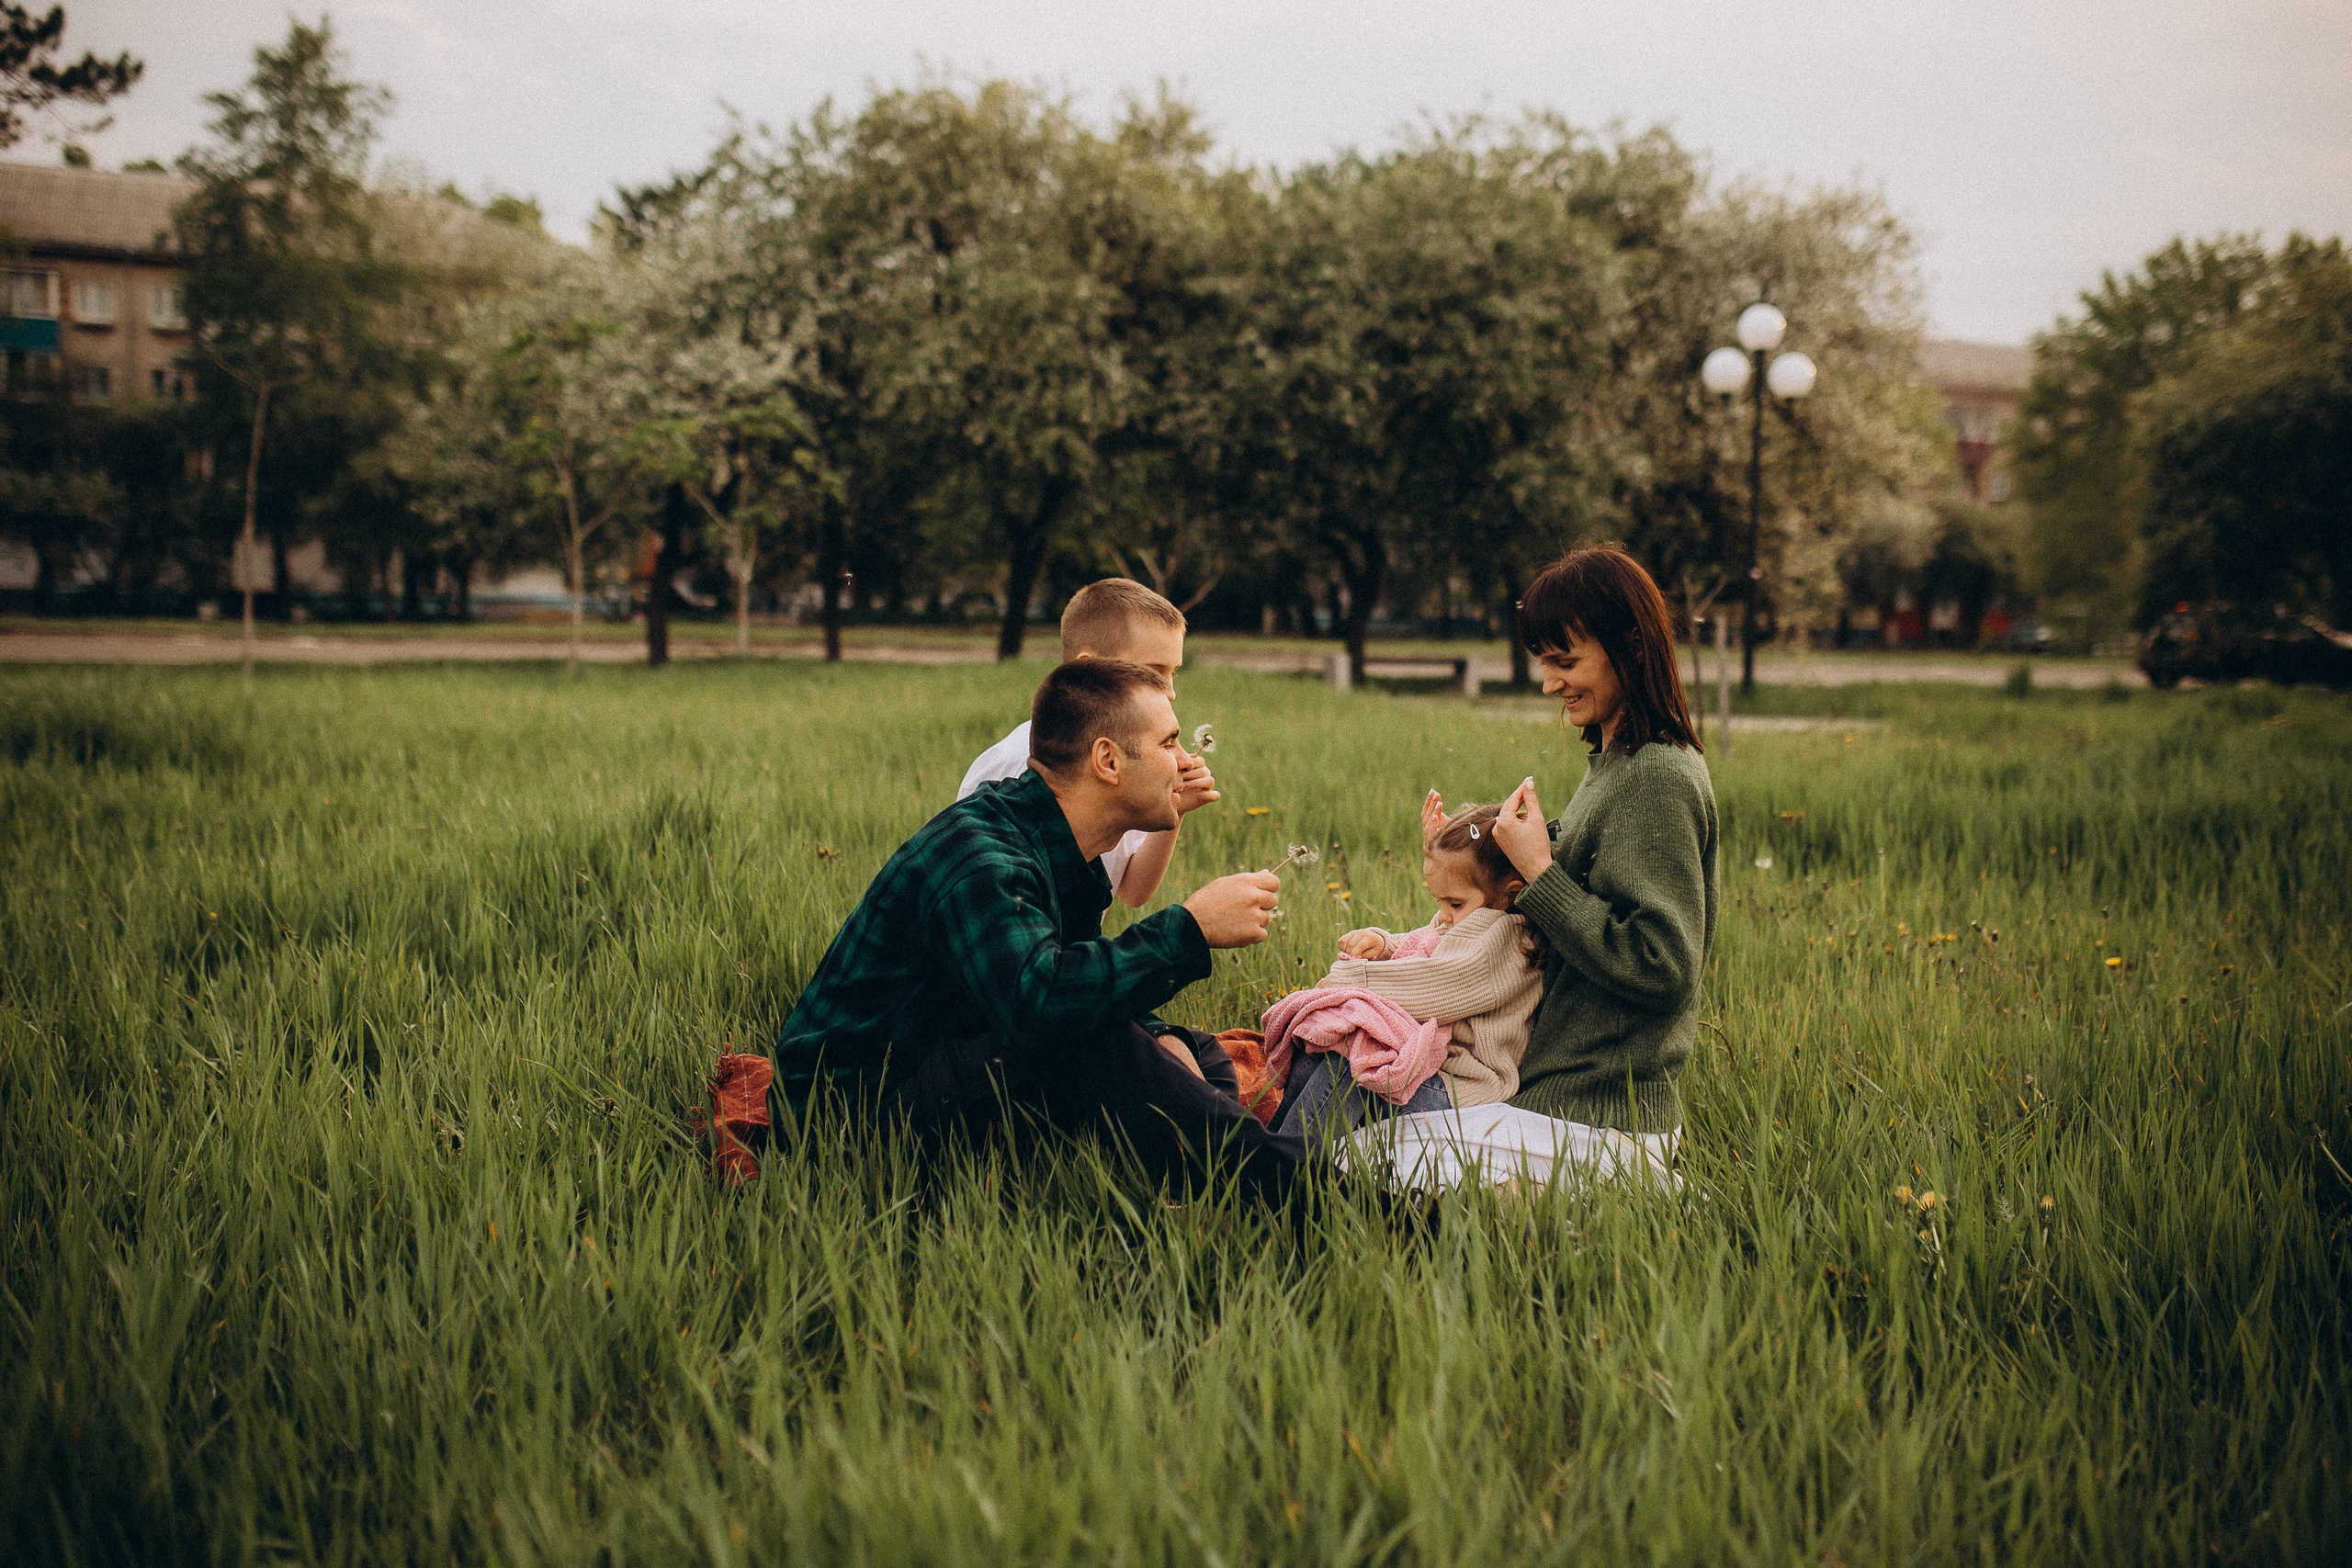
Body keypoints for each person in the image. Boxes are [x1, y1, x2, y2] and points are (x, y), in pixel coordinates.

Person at [775, 659, 1308, 1198]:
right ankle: (1320, 1192)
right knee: (1096, 1039)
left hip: (940, 1055)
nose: (1186, 761)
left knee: (1191, 1050)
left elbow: (1072, 976)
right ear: (1107, 760)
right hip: (848, 1123)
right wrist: (1191, 929)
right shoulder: (983, 858)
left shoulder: (1057, 844)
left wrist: (1161, 1040)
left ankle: (1206, 1181)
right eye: (1169, 742)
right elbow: (1044, 1002)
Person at [1344, 546, 1718, 1192]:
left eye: (1565, 661)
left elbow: (1663, 964)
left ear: (1630, 646)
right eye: (1546, 662)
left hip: (1604, 1122)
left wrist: (1542, 874)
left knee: (1353, 1163)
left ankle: (1635, 1198)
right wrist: (1474, 865)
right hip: (1553, 1100)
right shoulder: (1614, 767)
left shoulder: (1658, 775)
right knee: (1349, 1144)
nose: (1549, 684)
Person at [1272, 799, 1545, 1150]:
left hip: (1464, 1089)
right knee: (1322, 1057)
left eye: (1455, 904)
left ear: (1509, 896)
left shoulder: (1507, 943)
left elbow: (1435, 983)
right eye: (1440, 902)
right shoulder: (1479, 919)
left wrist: (1352, 980)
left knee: (1352, 1070)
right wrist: (1384, 944)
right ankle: (1268, 1145)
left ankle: (1285, 1171)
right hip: (1431, 1069)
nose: (1444, 915)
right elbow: (1433, 941)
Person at [958, 579, 1215, 910]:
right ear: (1085, 668)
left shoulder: (1129, 763)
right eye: (1152, 672)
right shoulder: (1021, 764)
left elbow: (1132, 890)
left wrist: (1174, 808)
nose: (1169, 691)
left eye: (1173, 674)